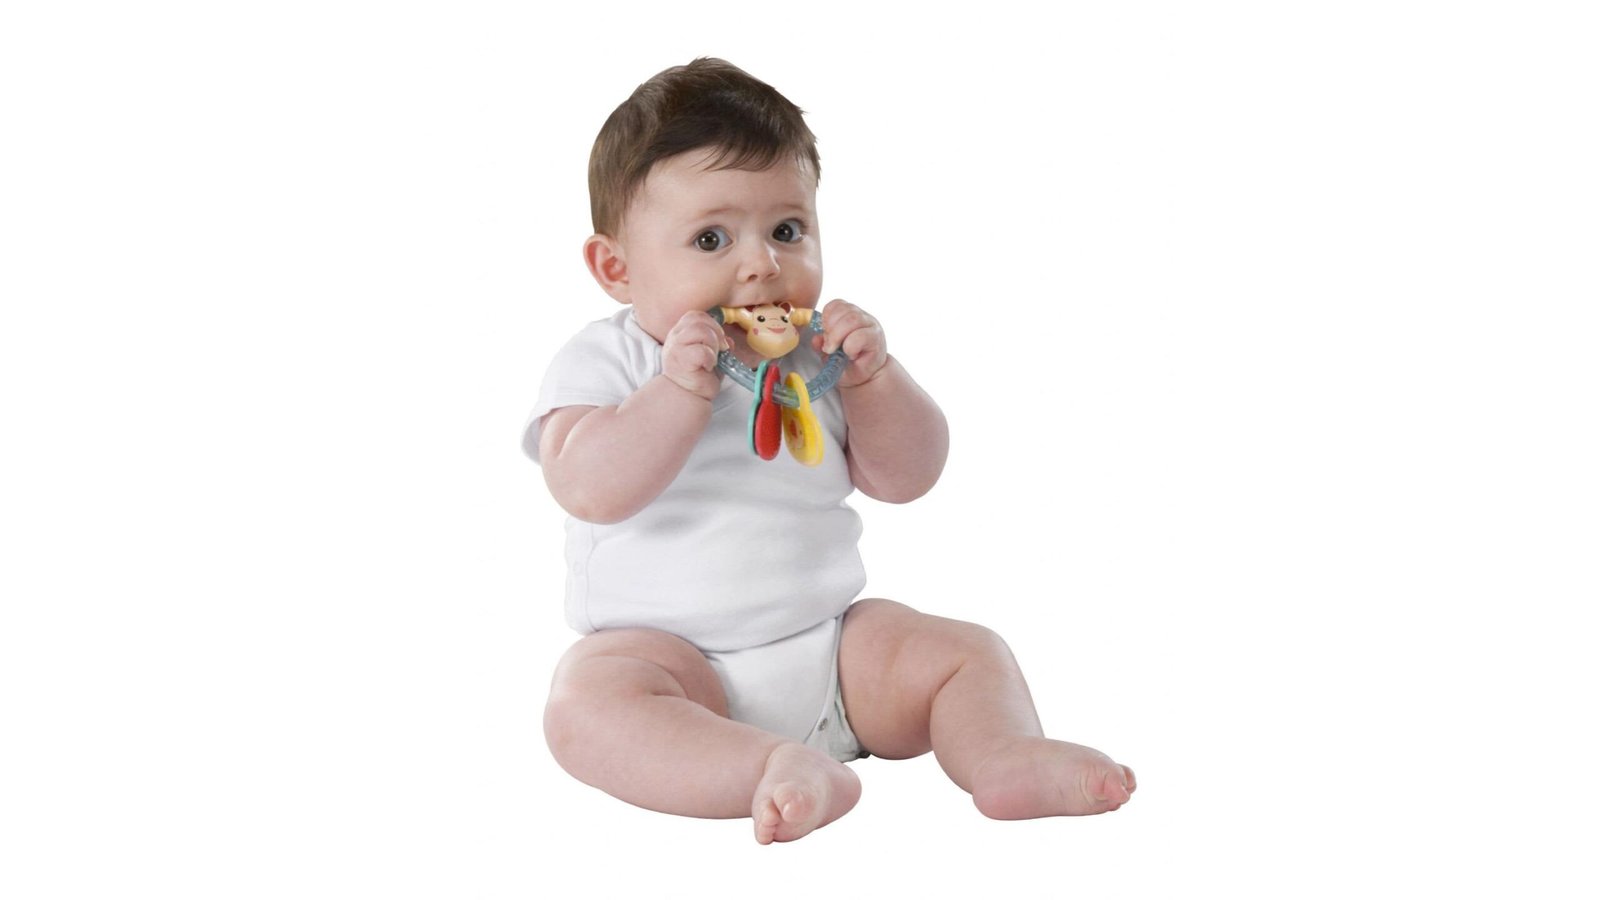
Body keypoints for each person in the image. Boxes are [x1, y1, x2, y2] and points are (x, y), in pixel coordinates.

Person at [524, 58, 1135, 844]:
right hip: (674, 669)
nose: (762, 265)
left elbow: (908, 477)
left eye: (787, 230)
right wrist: (676, 393)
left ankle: (1002, 754)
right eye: (711, 239)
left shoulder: (819, 356)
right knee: (585, 706)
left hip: (835, 652)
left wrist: (875, 378)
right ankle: (769, 768)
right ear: (617, 268)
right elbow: (586, 485)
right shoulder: (610, 359)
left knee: (966, 652)